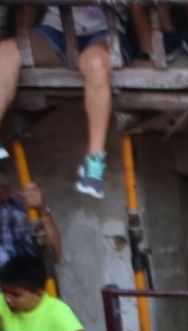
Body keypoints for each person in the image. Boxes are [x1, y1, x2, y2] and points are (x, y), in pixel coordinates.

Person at [10, 8, 113, 198]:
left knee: (95, 65)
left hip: (106, 30)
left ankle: (95, 162)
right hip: (54, 29)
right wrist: (22, 31)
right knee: (4, 54)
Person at [0, 254, 89, 331]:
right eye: (4, 292)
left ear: (39, 293)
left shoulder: (57, 309)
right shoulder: (2, 302)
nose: (7, 299)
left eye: (16, 295)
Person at [0, 180, 62, 266]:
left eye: (3, 182)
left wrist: (42, 211)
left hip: (21, 276)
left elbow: (53, 256)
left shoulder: (22, 212)